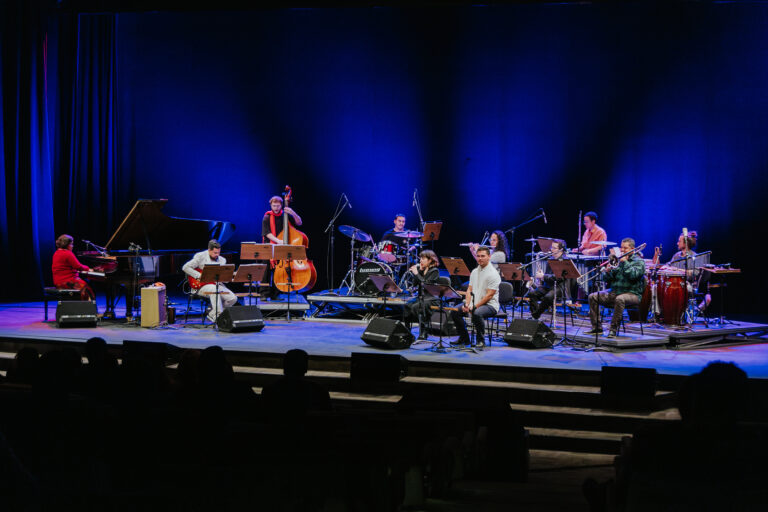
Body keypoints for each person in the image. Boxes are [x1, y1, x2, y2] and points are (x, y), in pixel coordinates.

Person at [586, 238, 645, 338]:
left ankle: (613, 329)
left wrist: (625, 262)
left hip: (632, 293)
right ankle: (597, 328)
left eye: (625, 248)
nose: (622, 250)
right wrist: (608, 272)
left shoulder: (639, 262)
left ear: (633, 249)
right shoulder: (618, 260)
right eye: (621, 247)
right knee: (592, 296)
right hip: (615, 292)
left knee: (620, 299)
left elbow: (633, 275)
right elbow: (608, 280)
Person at [449, 246, 501, 348]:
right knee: (454, 311)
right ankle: (464, 338)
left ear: (489, 257)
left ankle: (481, 341)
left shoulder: (493, 274)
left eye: (483, 256)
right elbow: (469, 290)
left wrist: (475, 306)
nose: (480, 258)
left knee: (477, 313)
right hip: (474, 302)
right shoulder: (474, 271)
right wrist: (467, 304)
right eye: (478, 256)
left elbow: (489, 295)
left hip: (490, 305)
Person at [182, 239, 238, 323]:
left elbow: (222, 278)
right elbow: (185, 267)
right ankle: (218, 317)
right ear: (209, 250)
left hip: (216, 285)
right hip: (201, 286)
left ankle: (212, 313)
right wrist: (199, 276)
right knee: (214, 290)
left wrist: (230, 277)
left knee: (232, 298)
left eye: (218, 253)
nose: (217, 255)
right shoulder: (200, 256)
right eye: (215, 253)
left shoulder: (222, 260)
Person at [261, 195, 303, 299]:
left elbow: (299, 222)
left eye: (278, 206)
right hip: (269, 246)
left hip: (281, 247)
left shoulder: (285, 215)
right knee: (265, 271)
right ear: (271, 205)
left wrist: (292, 212)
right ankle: (264, 293)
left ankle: (276, 294)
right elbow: (267, 233)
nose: (276, 208)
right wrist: (278, 241)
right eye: (274, 205)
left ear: (281, 205)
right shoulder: (267, 217)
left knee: (278, 271)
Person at [528, 240, 571, 320]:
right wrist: (542, 277)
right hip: (548, 286)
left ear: (561, 250)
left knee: (548, 297)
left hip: (560, 287)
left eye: (554, 248)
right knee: (532, 294)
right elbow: (549, 276)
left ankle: (535, 315)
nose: (551, 249)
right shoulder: (551, 259)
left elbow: (559, 278)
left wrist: (543, 276)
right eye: (552, 247)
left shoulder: (565, 261)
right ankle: (536, 315)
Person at [404, 250, 441, 340]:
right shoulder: (422, 270)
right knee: (407, 305)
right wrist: (419, 272)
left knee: (418, 306)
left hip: (431, 299)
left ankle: (424, 332)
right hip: (421, 297)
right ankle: (407, 331)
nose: (420, 260)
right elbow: (415, 284)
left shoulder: (434, 271)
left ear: (430, 260)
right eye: (420, 258)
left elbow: (426, 284)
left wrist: (417, 273)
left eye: (423, 258)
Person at [51, 234, 95, 301]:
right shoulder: (68, 253)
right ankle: (88, 309)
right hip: (66, 281)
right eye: (71, 244)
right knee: (87, 289)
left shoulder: (57, 252)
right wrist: (88, 268)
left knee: (84, 283)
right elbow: (78, 266)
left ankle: (79, 307)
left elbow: (65, 267)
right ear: (66, 244)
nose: (72, 246)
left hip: (58, 282)